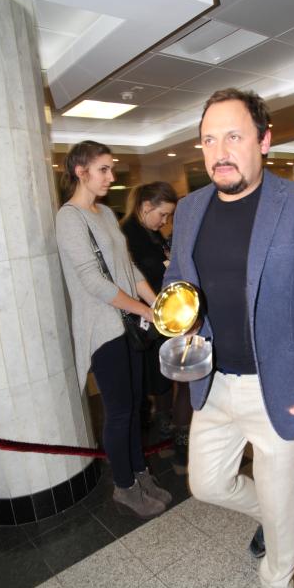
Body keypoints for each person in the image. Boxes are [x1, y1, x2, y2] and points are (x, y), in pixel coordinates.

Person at [163, 88, 294, 588]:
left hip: (282, 387)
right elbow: (177, 281)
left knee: (283, 508)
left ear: (264, 140)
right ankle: (271, 517)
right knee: (207, 484)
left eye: (234, 136)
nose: (220, 152)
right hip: (213, 383)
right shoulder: (189, 209)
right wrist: (176, 320)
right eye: (209, 140)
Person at [55, 140, 172, 519]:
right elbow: (93, 281)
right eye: (103, 169)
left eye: (110, 168)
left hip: (127, 324)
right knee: (120, 411)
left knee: (136, 405)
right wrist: (143, 310)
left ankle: (140, 473)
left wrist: (156, 303)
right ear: (80, 171)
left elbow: (127, 267)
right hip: (103, 328)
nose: (110, 176)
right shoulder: (70, 218)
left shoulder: (105, 212)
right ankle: (124, 485)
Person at [121, 182, 192, 463]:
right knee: (162, 379)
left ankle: (172, 432)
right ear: (146, 206)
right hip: (147, 321)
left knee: (171, 377)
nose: (165, 222)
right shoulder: (125, 235)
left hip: (163, 316)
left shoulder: (152, 234)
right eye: (162, 215)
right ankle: (168, 433)